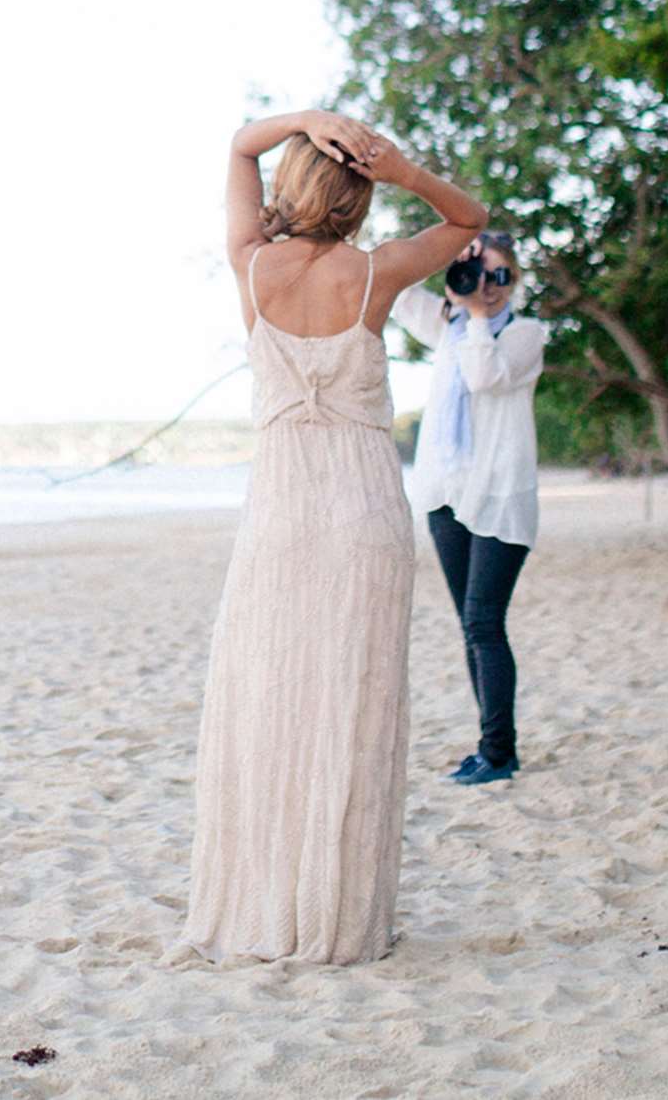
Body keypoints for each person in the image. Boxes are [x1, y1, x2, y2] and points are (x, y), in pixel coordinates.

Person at [180, 108, 486, 965]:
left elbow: (238, 141)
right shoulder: (375, 272)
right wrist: (406, 173)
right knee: (350, 708)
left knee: (271, 700)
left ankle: (268, 909)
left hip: (282, 510)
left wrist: (306, 120)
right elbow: (471, 220)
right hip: (361, 508)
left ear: (295, 186)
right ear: (359, 194)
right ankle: (340, 919)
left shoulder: (252, 268)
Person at [389, 231, 545, 786]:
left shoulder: (525, 334)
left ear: (518, 282)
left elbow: (485, 376)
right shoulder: (447, 327)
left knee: (485, 623)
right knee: (470, 627)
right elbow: (396, 287)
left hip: (499, 499)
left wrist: (475, 312)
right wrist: (446, 257)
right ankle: (491, 747)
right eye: (483, 275)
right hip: (446, 499)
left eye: (502, 276)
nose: (491, 288)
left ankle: (498, 752)